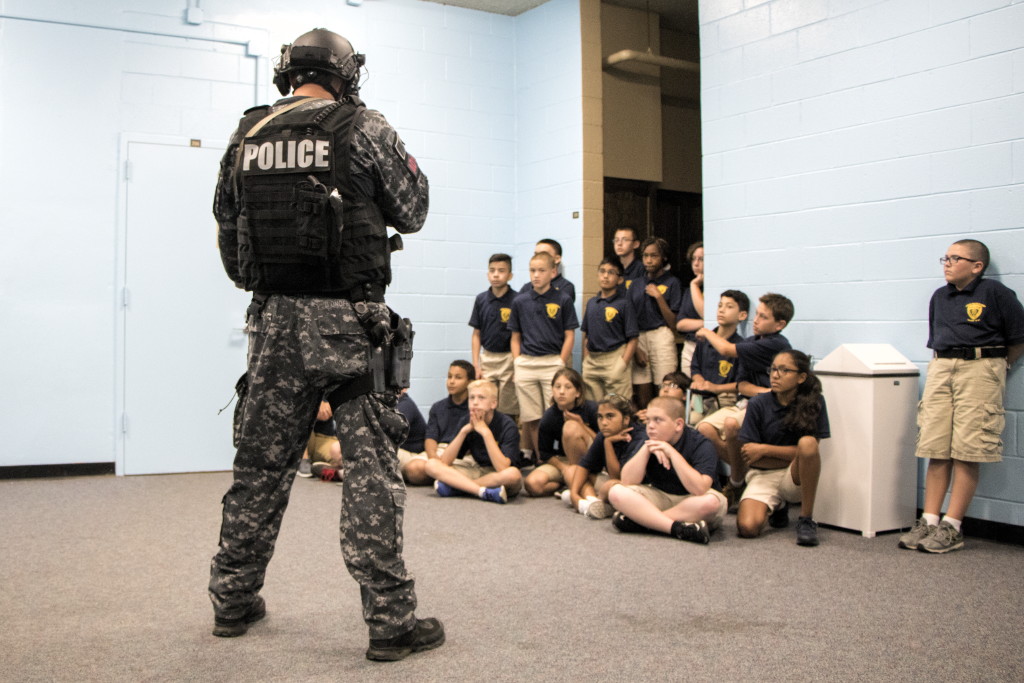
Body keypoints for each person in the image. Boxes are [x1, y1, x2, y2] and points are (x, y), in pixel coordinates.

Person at [209, 28, 442, 661]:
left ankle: (231, 601)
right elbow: (414, 209)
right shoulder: (364, 128)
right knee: (371, 471)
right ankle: (390, 622)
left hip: (273, 325)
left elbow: (232, 246)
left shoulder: (247, 135)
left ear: (288, 74)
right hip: (350, 324)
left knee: (259, 468)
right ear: (346, 74)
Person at [898, 239, 1024, 553]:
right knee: (936, 444)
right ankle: (928, 519)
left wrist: (999, 366)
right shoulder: (940, 296)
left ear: (977, 266)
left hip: (981, 367)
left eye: (955, 258)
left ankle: (952, 526)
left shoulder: (996, 294)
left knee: (968, 448)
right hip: (942, 365)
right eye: (946, 257)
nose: (947, 263)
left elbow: (1019, 337)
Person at [695, 292, 793, 508]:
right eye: (757, 315)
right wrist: (766, 391)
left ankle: (736, 481)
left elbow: (726, 349)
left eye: (763, 317)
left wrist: (706, 332)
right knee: (704, 428)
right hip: (747, 402)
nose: (756, 321)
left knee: (731, 426)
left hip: (769, 408)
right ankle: (748, 472)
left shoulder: (776, 344)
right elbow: (742, 385)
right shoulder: (752, 342)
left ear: (779, 324)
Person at [735, 350, 829, 547]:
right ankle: (779, 507)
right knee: (747, 528)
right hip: (764, 474)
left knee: (807, 443)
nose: (775, 375)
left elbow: (810, 452)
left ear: (801, 377)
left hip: (794, 476)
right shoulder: (758, 403)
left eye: (785, 370)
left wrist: (765, 450)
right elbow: (751, 457)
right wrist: (790, 455)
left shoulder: (815, 402)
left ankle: (806, 519)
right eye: (774, 369)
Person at [607, 396, 726, 544]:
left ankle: (645, 522)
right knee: (616, 492)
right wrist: (646, 449)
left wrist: (671, 452)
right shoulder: (648, 440)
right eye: (648, 420)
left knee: (711, 503)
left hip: (692, 500)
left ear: (678, 424)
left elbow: (699, 489)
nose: (650, 426)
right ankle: (676, 528)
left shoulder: (701, 443)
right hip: (661, 496)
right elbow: (627, 481)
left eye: (658, 420)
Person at [510, 251, 579, 458]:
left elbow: (569, 335)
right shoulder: (520, 301)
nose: (536, 275)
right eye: (532, 270)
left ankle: (566, 457)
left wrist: (561, 361)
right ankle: (542, 459)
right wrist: (518, 361)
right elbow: (515, 336)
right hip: (527, 363)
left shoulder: (563, 299)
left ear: (553, 272)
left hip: (553, 362)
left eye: (541, 270)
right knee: (532, 416)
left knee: (558, 413)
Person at [424, 379, 524, 502]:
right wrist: (463, 432)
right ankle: (481, 492)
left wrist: (486, 433)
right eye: (471, 398)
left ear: (493, 404)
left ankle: (460, 487)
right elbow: (445, 462)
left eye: (481, 398)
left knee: (513, 474)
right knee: (431, 464)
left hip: (496, 475)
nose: (475, 403)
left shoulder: (507, 425)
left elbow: (502, 468)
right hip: (475, 469)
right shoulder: (466, 420)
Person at [566, 393, 644, 520]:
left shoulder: (639, 437)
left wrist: (608, 443)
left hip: (634, 487)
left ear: (626, 419)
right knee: (571, 471)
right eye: (600, 417)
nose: (604, 423)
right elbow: (584, 465)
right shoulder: (604, 433)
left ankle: (592, 501)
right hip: (613, 483)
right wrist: (574, 495)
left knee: (613, 485)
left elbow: (619, 478)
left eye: (610, 416)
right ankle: (590, 502)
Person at [523, 368, 599, 497]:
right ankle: (566, 484)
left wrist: (581, 425)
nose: (561, 392)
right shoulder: (549, 416)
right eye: (557, 387)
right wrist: (564, 468)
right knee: (532, 484)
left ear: (578, 392)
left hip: (591, 457)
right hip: (565, 460)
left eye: (568, 387)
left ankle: (577, 484)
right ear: (552, 390)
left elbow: (603, 442)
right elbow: (545, 453)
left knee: (570, 427)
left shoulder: (592, 409)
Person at [628, 237, 683, 413]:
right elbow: (628, 318)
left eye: (654, 256)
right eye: (645, 256)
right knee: (641, 384)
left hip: (661, 334)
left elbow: (673, 323)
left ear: (663, 258)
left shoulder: (672, 282)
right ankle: (647, 422)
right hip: (638, 337)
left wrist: (659, 297)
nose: (649, 260)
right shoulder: (636, 284)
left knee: (664, 384)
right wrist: (635, 347)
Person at [399, 360, 474, 486]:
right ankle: (446, 477)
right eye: (449, 376)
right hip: (439, 451)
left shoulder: (474, 408)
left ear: (470, 382)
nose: (452, 381)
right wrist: (434, 458)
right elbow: (430, 438)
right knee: (414, 469)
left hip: (461, 454)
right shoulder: (438, 407)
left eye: (458, 377)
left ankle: (447, 478)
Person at [580, 258, 638, 402]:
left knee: (618, 406)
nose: (605, 276)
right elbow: (586, 335)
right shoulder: (592, 302)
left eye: (611, 273)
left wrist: (623, 363)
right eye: (602, 271)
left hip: (614, 357)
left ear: (619, 280)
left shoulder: (624, 303)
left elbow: (633, 338)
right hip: (592, 361)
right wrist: (586, 359)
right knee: (593, 407)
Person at [688, 290, 748, 425]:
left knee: (703, 426)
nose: (722, 310)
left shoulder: (740, 347)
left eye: (729, 307)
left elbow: (741, 383)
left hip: (725, 397)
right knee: (690, 422)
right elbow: (695, 367)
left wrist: (715, 388)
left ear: (742, 315)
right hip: (700, 396)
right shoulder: (704, 339)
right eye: (720, 305)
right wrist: (699, 381)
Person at [469, 253, 518, 418]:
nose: (496, 274)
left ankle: (506, 440)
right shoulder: (481, 299)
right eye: (492, 270)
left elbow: (520, 335)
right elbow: (476, 334)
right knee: (485, 402)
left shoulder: (517, 300)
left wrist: (517, 363)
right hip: (488, 358)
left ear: (510, 275)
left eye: (501, 271)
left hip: (509, 358)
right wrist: (476, 363)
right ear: (487, 274)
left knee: (507, 405)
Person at [674, 242, 705, 377]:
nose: (696, 263)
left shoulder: (715, 289)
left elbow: (704, 312)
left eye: (701, 259)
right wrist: (706, 322)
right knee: (689, 389)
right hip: (690, 344)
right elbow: (680, 324)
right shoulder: (688, 292)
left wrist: (694, 285)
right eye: (693, 259)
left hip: (708, 346)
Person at [519, 238, 576, 303]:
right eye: (536, 254)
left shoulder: (565, 286)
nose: (539, 257)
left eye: (544, 254)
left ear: (557, 259)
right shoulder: (527, 287)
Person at [297, 400, 343, 480]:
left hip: (325, 437)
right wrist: (317, 404)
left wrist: (331, 404)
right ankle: (302, 459)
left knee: (338, 450)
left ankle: (342, 472)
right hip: (303, 436)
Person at [611, 227, 644, 292]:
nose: (619, 244)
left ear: (636, 244)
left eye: (625, 240)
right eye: (616, 240)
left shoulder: (642, 269)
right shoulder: (611, 267)